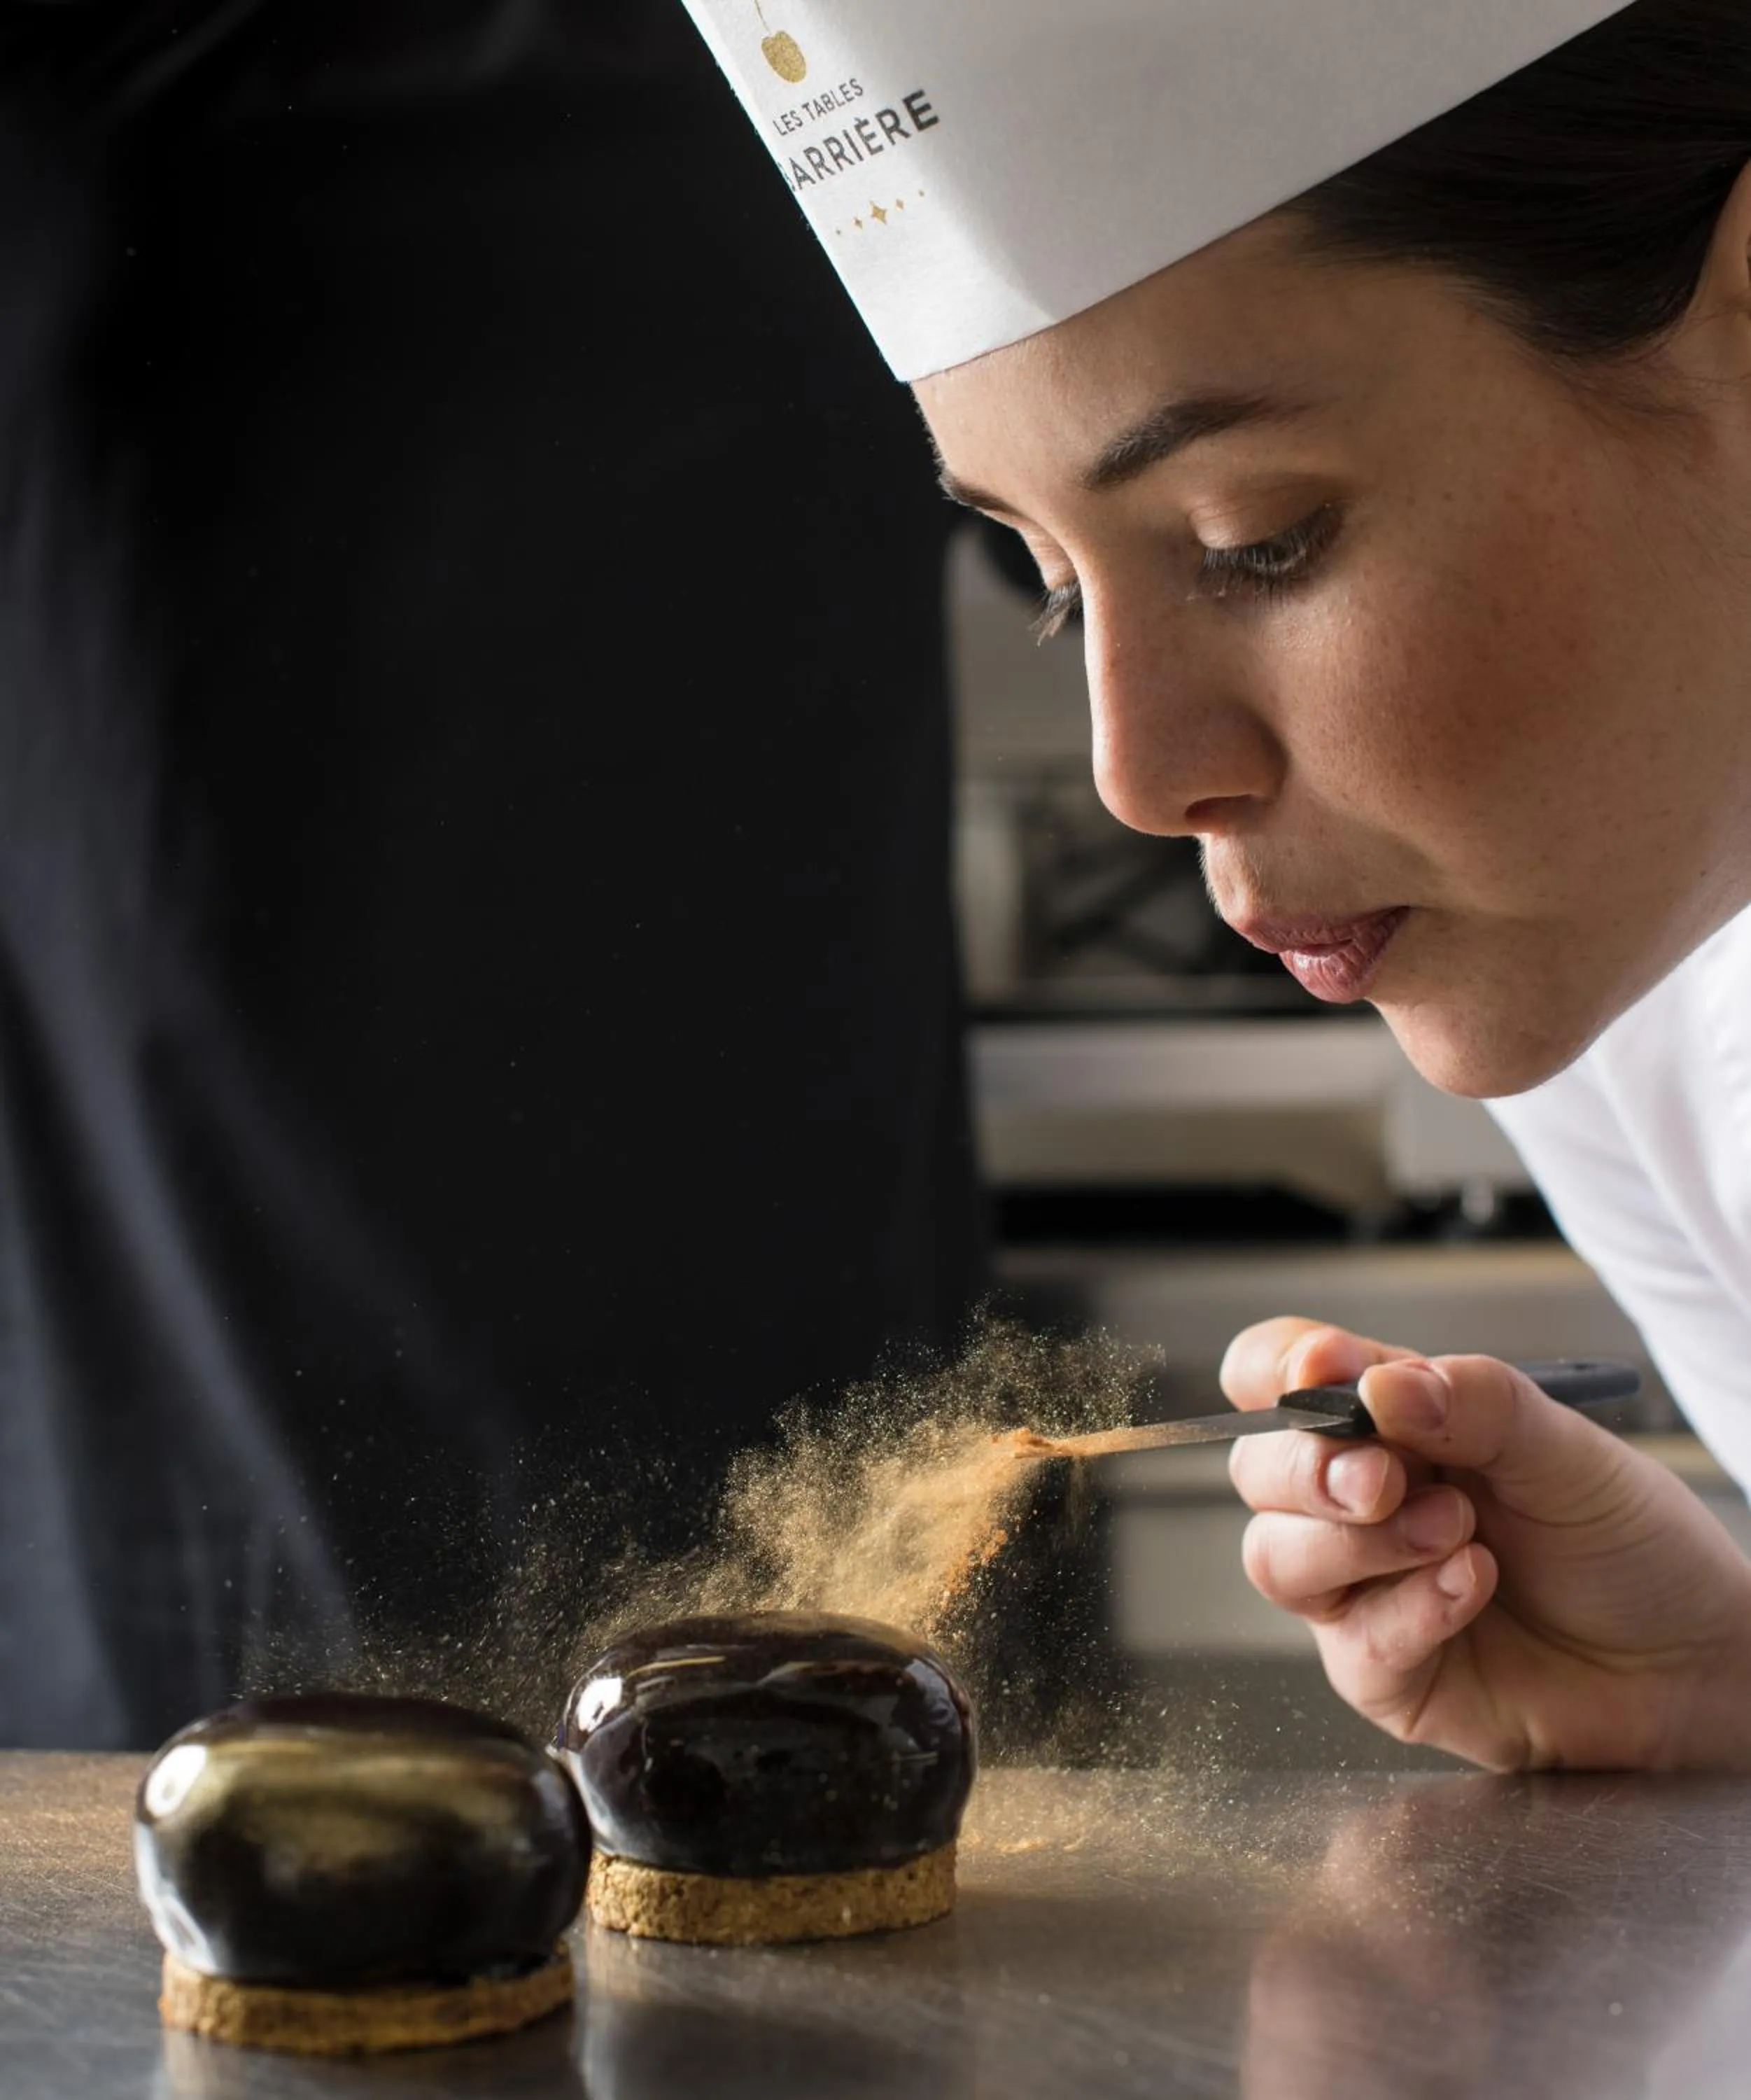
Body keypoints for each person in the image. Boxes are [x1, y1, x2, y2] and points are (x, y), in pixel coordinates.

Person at [684, 0, 1751, 1770]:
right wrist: (1726, 1706)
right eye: (1051, 582)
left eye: (1257, 540)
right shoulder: (1614, 969)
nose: (1138, 777)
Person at [0, 1, 981, 1751]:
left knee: (809, 1840)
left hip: (772, 1351)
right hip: (163, 1403)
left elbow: (1159, 456)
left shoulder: (856, 37)